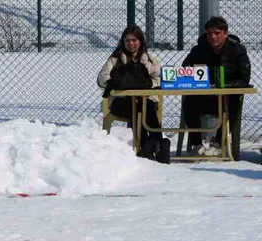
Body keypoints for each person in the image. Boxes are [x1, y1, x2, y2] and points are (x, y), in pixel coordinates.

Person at [180, 16, 252, 156]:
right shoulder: (198, 50)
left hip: (227, 98)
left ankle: (218, 142)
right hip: (204, 98)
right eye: (209, 33)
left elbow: (244, 79)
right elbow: (185, 70)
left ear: (225, 33)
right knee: (189, 102)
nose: (213, 37)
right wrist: (199, 84)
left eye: (217, 33)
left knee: (233, 102)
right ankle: (196, 143)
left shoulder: (237, 51)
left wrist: (222, 86)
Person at [97, 25, 166, 162]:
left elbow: (160, 78)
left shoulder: (151, 61)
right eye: (127, 40)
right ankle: (146, 145)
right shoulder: (114, 59)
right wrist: (116, 83)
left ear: (140, 41)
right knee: (135, 106)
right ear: (123, 42)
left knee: (145, 107)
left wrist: (148, 84)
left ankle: (157, 144)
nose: (131, 43)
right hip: (120, 101)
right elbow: (101, 78)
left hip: (146, 100)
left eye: (134, 40)